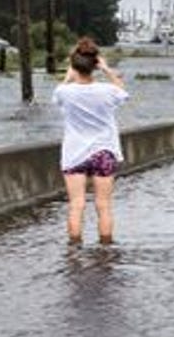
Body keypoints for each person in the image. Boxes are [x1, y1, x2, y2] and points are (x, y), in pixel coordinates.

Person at [53, 37, 129, 245]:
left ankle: (74, 252)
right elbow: (123, 91)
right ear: (94, 65)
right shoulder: (108, 91)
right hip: (103, 152)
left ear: (74, 65)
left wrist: (68, 78)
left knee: (76, 205)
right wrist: (107, 70)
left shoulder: (64, 92)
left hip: (74, 154)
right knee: (103, 205)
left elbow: (58, 94)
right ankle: (106, 251)